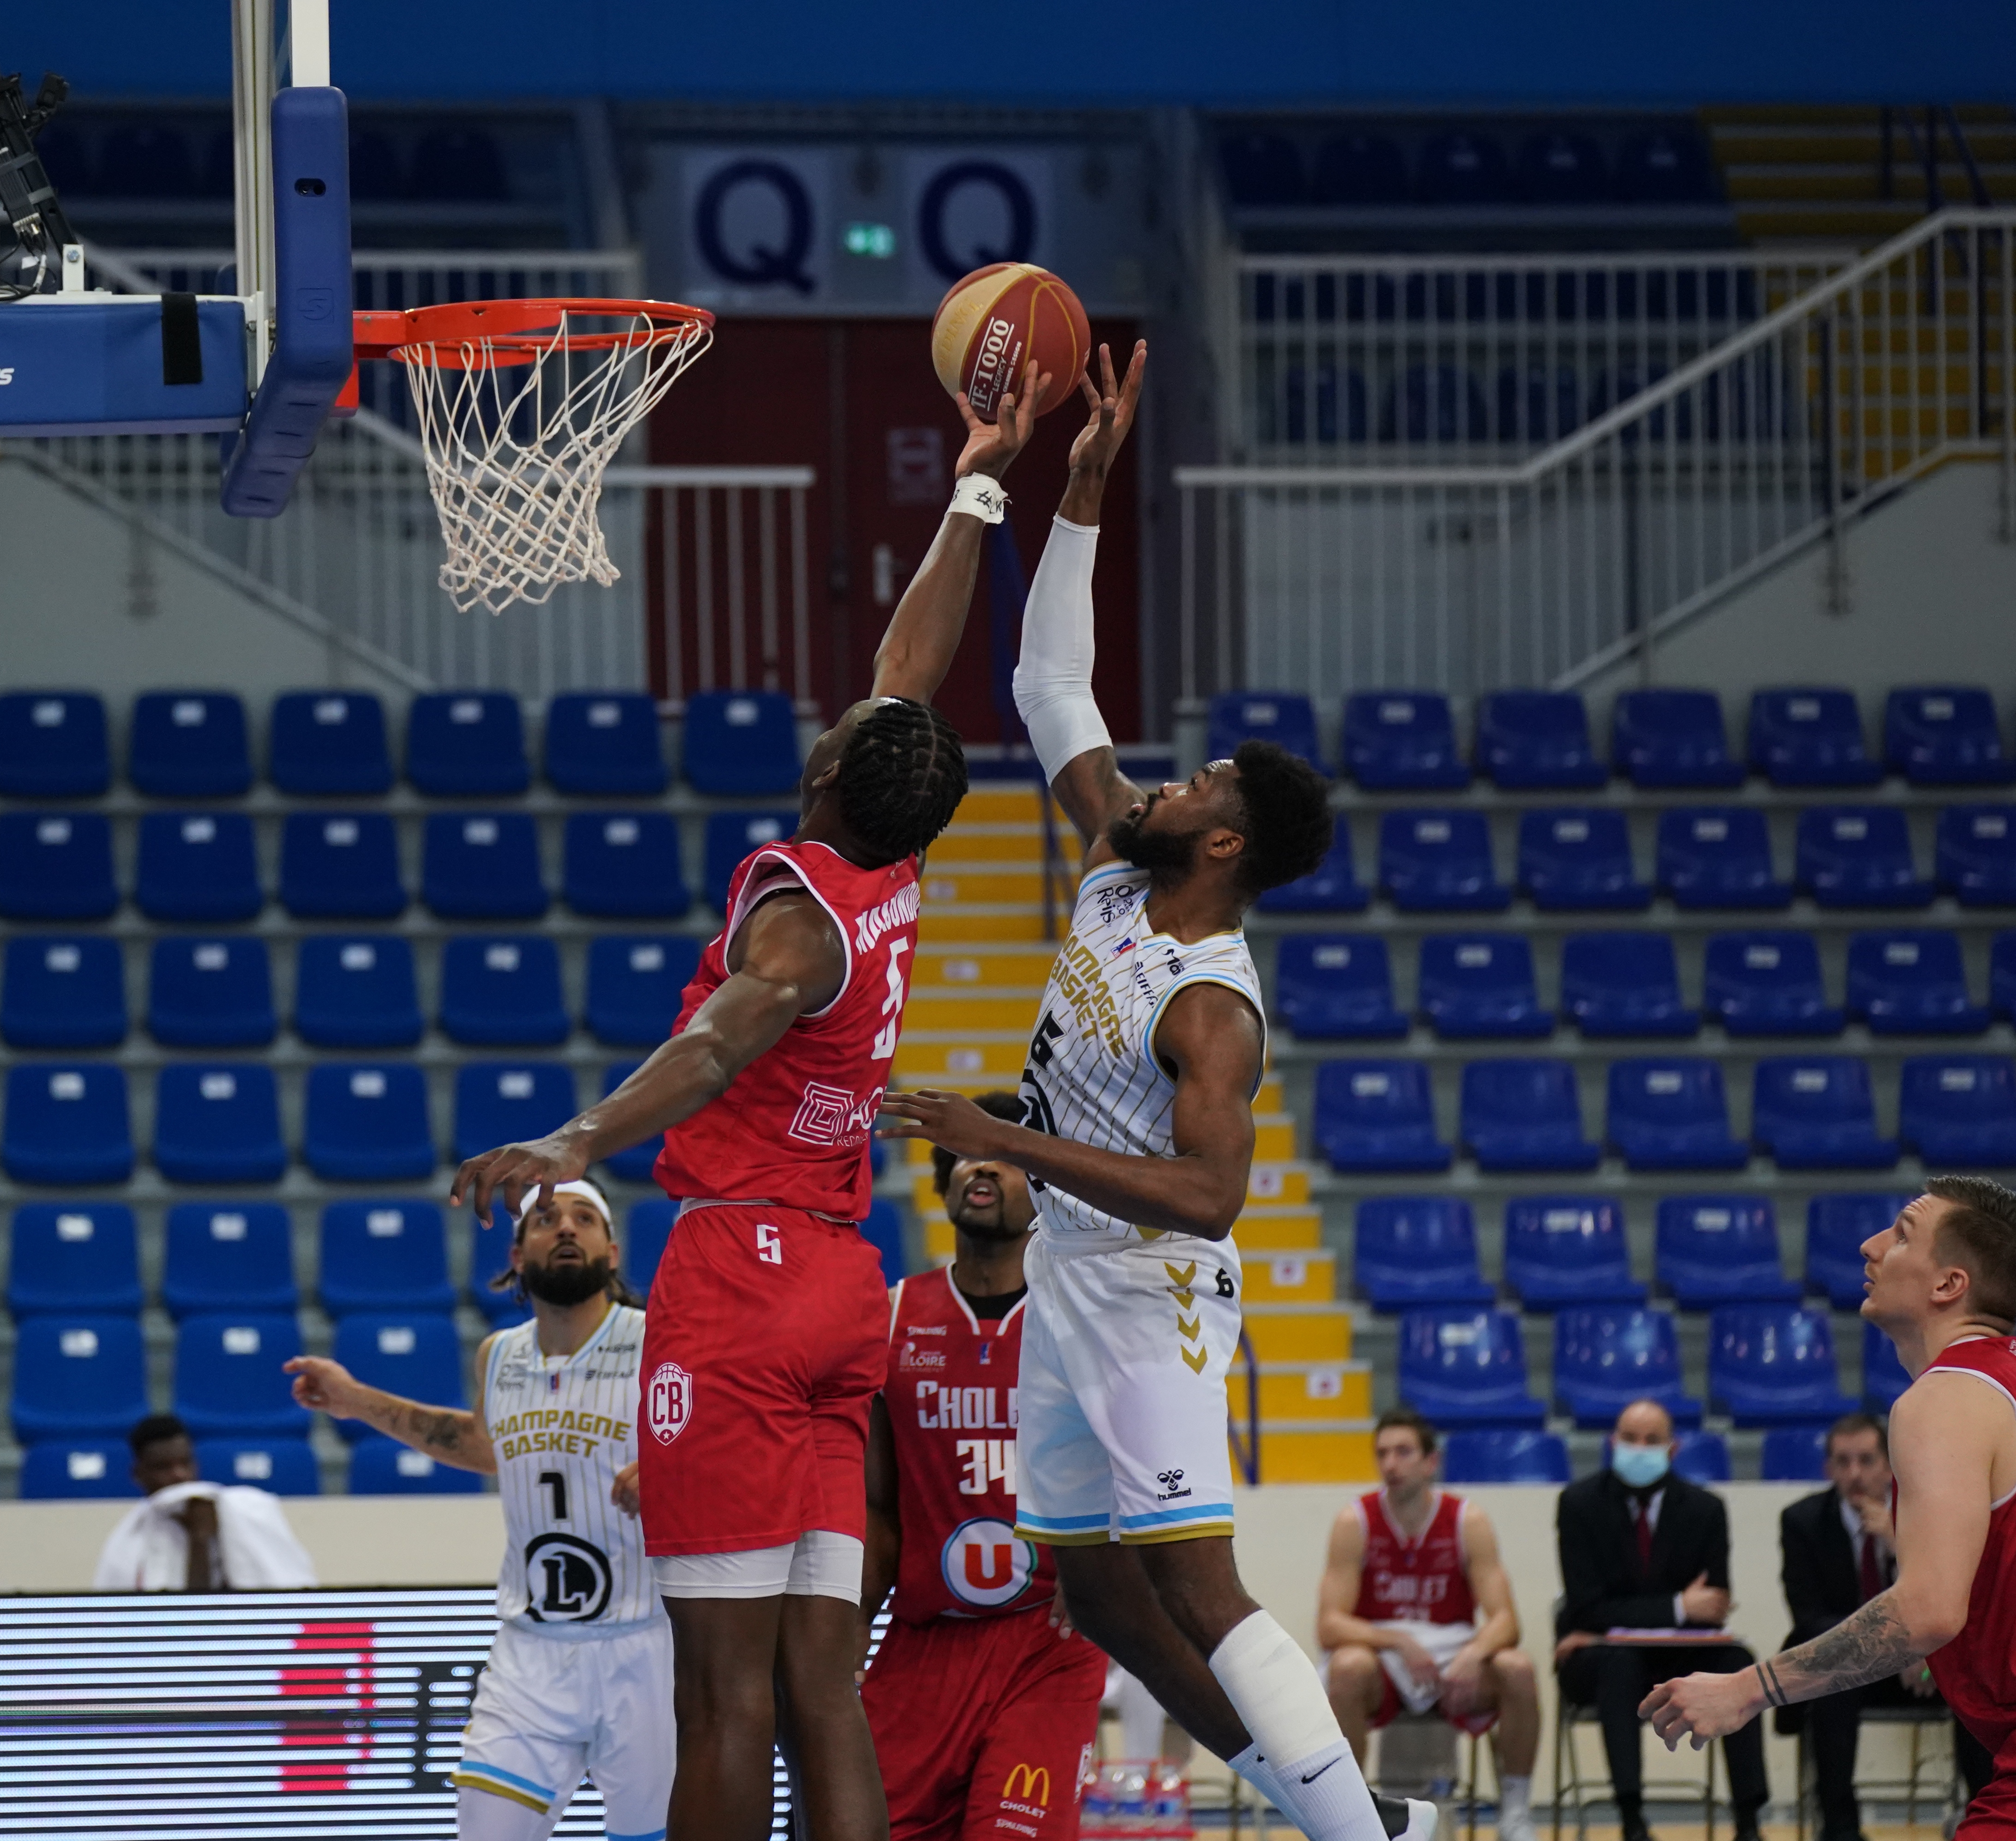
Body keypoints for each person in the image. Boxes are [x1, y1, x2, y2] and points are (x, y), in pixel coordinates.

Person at [447, 373, 1039, 1841]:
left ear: (826, 770)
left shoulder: (798, 909)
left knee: (720, 1692)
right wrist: (978, 486)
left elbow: (716, 1044)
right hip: (844, 1285)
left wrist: (571, 1144)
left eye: (839, 725)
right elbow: (914, 668)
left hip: (745, 1273)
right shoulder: (897, 864)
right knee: (818, 1691)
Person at [878, 343, 1431, 1841]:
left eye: (1198, 790)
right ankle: (1360, 1810)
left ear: (1227, 849)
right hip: (1068, 1277)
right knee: (1104, 1596)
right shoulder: (1126, 871)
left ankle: (1365, 1840)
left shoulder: (1211, 1008)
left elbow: (1211, 1194)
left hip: (1153, 1293)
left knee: (1197, 1580)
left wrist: (1004, 1135)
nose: (1165, 784)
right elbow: (1049, 678)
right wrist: (1085, 484)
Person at [1647, 1175, 2016, 1838]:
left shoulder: (1948, 1397)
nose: (1870, 1246)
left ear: (1948, 1285)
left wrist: (1750, 1688)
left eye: (1901, 1234)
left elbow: (1924, 1613)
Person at [288, 1181, 667, 1841]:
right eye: (547, 1220)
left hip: (649, 1644)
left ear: (613, 1248)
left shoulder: (662, 1341)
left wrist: (679, 1470)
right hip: (530, 1651)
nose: (567, 1230)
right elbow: (481, 1444)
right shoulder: (501, 1356)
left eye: (585, 1219)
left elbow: (741, 1436)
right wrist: (355, 1401)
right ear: (519, 1255)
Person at [860, 1093, 1110, 1841]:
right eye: (966, 1156)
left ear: (1043, 1187)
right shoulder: (894, 1315)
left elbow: (1140, 1465)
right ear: (941, 1184)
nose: (981, 1168)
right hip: (922, 1641)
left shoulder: (1085, 1318)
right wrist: (841, 1639)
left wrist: (1102, 1565)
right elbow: (877, 1509)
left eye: (1006, 1156)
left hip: (1045, 1640)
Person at [1314, 1410, 1540, 1841]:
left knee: (1518, 1668)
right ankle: (1350, 1817)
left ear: (1430, 1462)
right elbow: (1329, 1624)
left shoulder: (1466, 1521)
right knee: (1346, 1667)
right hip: (1384, 1659)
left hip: (1453, 1658)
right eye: (1382, 1454)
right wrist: (1398, 1641)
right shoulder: (1354, 1522)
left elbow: (1507, 1619)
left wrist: (1474, 1653)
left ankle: (1515, 1812)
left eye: (1403, 1452)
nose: (1391, 1464)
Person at [1552, 1398, 1766, 1841]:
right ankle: (1632, 1819)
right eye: (1631, 1439)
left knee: (1739, 1660)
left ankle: (1749, 1820)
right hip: (1601, 1661)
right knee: (1620, 1665)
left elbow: (1714, 1608)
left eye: (1652, 1440)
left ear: (1673, 1449)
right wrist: (1678, 1608)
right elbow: (1586, 1607)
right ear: (1612, 1443)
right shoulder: (1579, 1504)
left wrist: (1627, 1618)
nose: (1640, 1449)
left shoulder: (1706, 1509)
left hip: (1677, 1653)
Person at [1775, 1409, 1992, 1841]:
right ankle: (1840, 1827)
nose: (1855, 1474)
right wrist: (1894, 1646)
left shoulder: (1929, 1515)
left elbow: (1959, 1599)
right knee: (1834, 1681)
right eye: (1843, 1462)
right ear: (1828, 1469)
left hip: (1929, 1667)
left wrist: (1898, 1543)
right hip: (1856, 1665)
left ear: (1890, 1465)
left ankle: (1985, 1815)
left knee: (1976, 1679)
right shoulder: (1802, 1522)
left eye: (1867, 1460)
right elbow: (1809, 1617)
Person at [92, 1413, 317, 1592]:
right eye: (164, 1467)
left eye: (185, 1463)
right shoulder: (127, 1542)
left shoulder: (240, 1512)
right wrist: (199, 1539)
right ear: (138, 1474)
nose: (179, 1475)